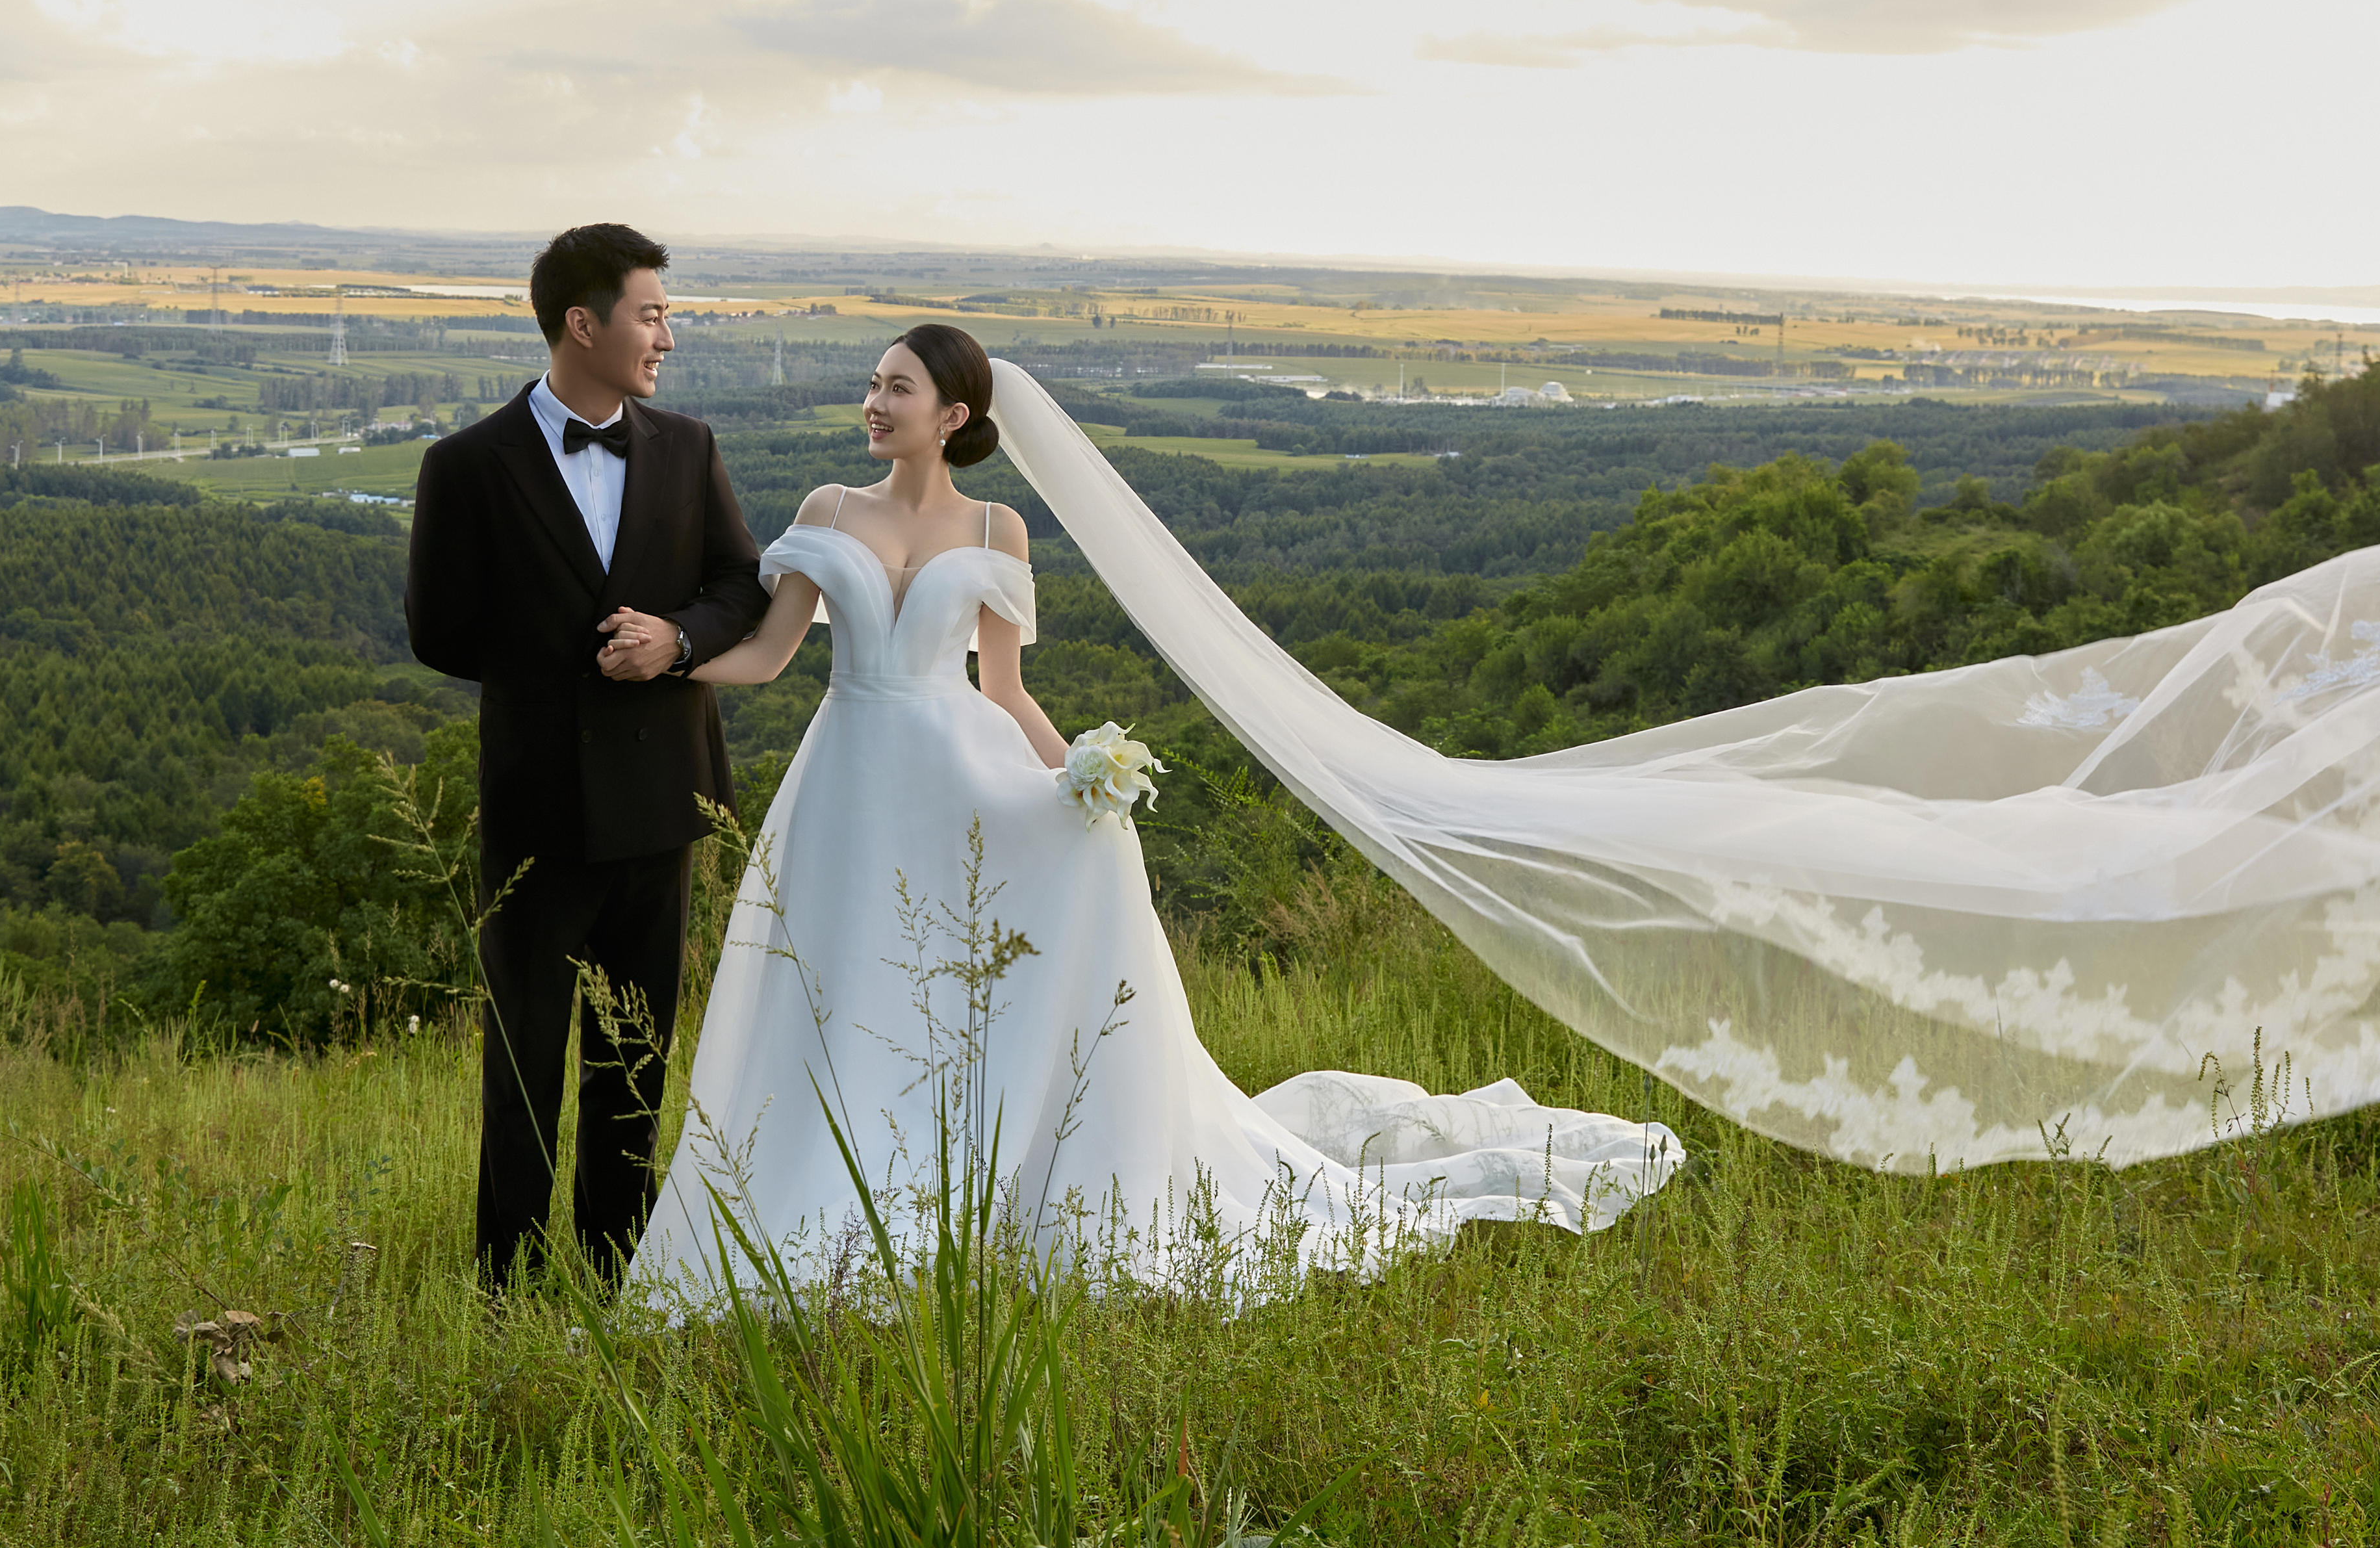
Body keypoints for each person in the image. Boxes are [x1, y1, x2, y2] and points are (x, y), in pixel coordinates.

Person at [628, 324, 1680, 1304]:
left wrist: (1080, 784)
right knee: (848, 978)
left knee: (956, 987)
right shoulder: (827, 511)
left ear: (952, 415)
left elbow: (1004, 692)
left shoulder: (997, 529)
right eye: (873, 384)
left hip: (963, 783)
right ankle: (829, 1191)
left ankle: (966, 1185)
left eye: (897, 387)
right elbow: (767, 658)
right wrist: (666, 653)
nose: (874, 401)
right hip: (849, 782)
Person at [408, 222, 767, 1286]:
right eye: (651, 313)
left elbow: (742, 587)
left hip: (663, 798)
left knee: (635, 1056)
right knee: (522, 1059)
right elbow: (439, 631)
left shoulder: (689, 447)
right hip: (538, 805)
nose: (668, 334)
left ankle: (620, 1272)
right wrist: (569, 659)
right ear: (582, 322)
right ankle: (507, 1288)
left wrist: (675, 640)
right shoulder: (465, 464)